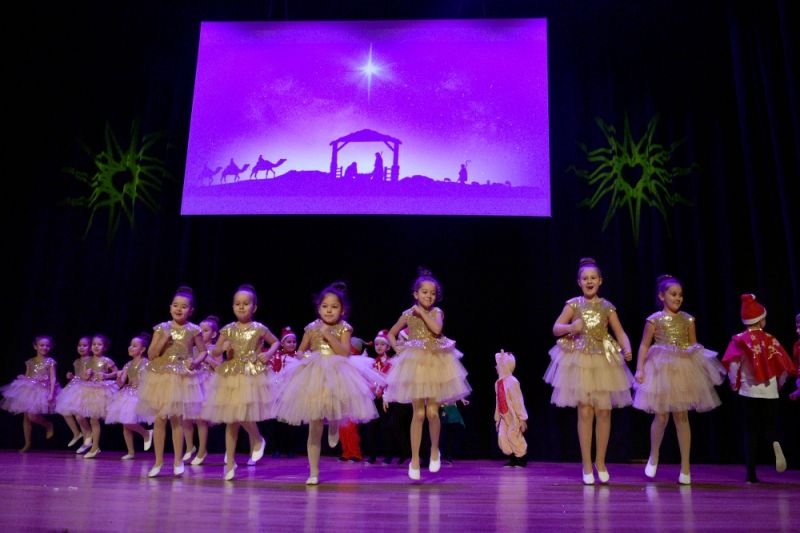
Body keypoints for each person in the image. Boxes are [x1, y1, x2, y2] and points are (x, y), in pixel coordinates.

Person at [272, 281, 384, 485]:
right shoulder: (311, 328)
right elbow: (300, 350)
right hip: (315, 371)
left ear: (342, 310)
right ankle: (313, 472)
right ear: (318, 308)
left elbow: (345, 352)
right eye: (325, 306)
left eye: (334, 306)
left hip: (337, 370)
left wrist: (327, 334)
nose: (329, 310)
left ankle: (334, 423)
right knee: (314, 423)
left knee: (336, 406)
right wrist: (303, 357)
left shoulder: (344, 328)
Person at [544, 257, 634, 485]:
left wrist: (627, 347)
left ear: (600, 281)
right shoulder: (573, 304)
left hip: (604, 360)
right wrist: (571, 327)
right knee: (585, 412)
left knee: (604, 411)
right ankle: (586, 464)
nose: (589, 281)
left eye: (593, 278)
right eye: (585, 278)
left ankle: (600, 462)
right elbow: (556, 328)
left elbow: (620, 332)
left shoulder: (607, 306)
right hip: (581, 359)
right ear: (579, 282)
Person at [632, 275, 725, 484]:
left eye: (680, 295)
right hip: (661, 369)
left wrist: (699, 362)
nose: (678, 298)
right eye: (673, 294)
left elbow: (693, 345)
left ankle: (685, 468)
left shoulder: (688, 319)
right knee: (661, 416)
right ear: (662, 296)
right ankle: (654, 455)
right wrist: (639, 369)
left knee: (682, 416)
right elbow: (644, 345)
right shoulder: (654, 320)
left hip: (682, 369)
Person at [384, 268, 472, 481]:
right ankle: (414, 459)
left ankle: (434, 450)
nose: (429, 296)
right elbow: (391, 333)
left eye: (432, 293)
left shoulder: (436, 312)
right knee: (419, 414)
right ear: (416, 294)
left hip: (435, 363)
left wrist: (422, 313)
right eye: (424, 292)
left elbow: (437, 329)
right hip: (416, 364)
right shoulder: (407, 314)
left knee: (432, 413)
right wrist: (396, 348)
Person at [202, 284, 277, 480]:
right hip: (231, 374)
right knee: (231, 420)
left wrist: (268, 353)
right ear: (233, 306)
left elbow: (276, 342)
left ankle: (257, 438)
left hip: (250, 374)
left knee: (242, 414)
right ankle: (229, 464)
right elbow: (215, 351)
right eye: (237, 304)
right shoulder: (228, 329)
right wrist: (222, 348)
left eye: (246, 303)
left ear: (254, 307)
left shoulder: (259, 328)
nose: (241, 307)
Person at [721, 294, 796, 483]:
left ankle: (751, 473)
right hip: (770, 391)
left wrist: (734, 382)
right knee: (770, 425)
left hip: (749, 391)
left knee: (750, 431)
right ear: (761, 320)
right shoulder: (771, 339)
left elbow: (734, 364)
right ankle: (775, 442)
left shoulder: (739, 339)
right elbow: (782, 364)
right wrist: (779, 383)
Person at [137, 286, 207, 478]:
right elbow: (151, 354)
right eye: (176, 305)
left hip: (181, 376)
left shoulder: (194, 330)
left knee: (177, 419)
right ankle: (158, 461)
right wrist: (163, 340)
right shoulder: (161, 328)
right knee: (160, 418)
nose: (179, 309)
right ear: (170, 307)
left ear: (191, 311)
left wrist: (196, 362)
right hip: (161, 376)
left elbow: (203, 351)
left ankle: (178, 460)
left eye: (184, 306)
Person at [0, 335, 58, 452]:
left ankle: (48, 424)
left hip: (43, 389)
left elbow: (53, 378)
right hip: (29, 389)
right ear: (35, 346)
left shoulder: (50, 361)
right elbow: (28, 376)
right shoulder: (30, 362)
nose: (44, 347)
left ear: (51, 347)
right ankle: (27, 443)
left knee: (32, 415)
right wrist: (24, 378)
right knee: (26, 417)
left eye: (47, 345)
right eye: (42, 345)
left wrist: (51, 393)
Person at [105, 333, 154, 459]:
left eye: (134, 346)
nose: (131, 348)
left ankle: (146, 433)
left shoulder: (146, 363)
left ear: (142, 349)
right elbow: (121, 383)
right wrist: (119, 377)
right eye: (130, 345)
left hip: (140, 394)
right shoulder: (127, 364)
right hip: (128, 393)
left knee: (127, 421)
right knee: (125, 423)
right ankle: (131, 452)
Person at [183, 315, 222, 466]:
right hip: (192, 384)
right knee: (185, 417)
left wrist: (206, 358)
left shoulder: (214, 350)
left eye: (205, 331)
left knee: (200, 419)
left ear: (213, 334)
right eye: (199, 330)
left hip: (206, 385)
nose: (201, 333)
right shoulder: (193, 349)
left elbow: (219, 368)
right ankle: (189, 447)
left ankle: (202, 451)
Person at [266, 326, 301, 458]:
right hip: (278, 391)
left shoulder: (299, 357)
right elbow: (272, 372)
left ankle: (290, 448)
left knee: (291, 421)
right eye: (289, 342)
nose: (292, 344)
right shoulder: (276, 357)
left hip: (293, 391)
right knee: (278, 422)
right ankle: (277, 448)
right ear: (282, 343)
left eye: (294, 342)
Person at [55, 336, 93, 450]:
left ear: (90, 347)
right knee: (65, 411)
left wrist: (84, 376)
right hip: (75, 387)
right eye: (79, 345)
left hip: (87, 388)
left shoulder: (92, 360)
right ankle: (77, 433)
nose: (81, 347)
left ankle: (88, 436)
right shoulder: (76, 361)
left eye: (84, 345)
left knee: (79, 416)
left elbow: (88, 376)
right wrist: (71, 377)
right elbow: (78, 376)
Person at [494, 350, 528, 467]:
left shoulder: (513, 382)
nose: (496, 367)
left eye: (498, 365)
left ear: (504, 366)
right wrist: (497, 419)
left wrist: (522, 419)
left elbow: (518, 401)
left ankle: (521, 458)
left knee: (513, 436)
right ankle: (512, 457)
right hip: (503, 416)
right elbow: (498, 402)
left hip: (513, 416)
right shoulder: (498, 383)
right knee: (502, 437)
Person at [789, 313, 800, 401]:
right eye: (797, 327)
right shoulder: (797, 345)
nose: (797, 331)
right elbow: (795, 368)